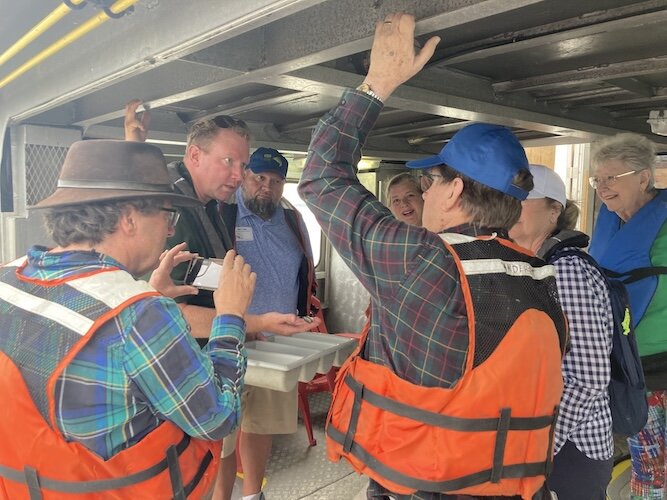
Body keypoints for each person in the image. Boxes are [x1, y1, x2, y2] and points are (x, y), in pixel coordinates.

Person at [298, 12, 567, 500]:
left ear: (455, 189)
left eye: (430, 181)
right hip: (506, 485)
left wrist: (378, 83)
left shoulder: (422, 259)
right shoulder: (539, 273)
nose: (423, 193)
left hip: (422, 485)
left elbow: (320, 177)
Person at [0, 139, 256, 499]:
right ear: (130, 219)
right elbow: (216, 419)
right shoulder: (141, 316)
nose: (170, 231)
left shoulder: (8, 279)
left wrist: (144, 296)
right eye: (168, 217)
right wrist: (230, 315)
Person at [124, 100, 319, 342]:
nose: (238, 176)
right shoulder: (171, 210)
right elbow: (173, 313)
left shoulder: (209, 205)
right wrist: (256, 323)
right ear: (195, 155)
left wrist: (251, 331)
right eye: (228, 161)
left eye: (243, 165)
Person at [215, 147, 315, 500]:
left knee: (262, 427)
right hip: (228, 340)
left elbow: (304, 274)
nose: (266, 187)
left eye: (275, 181)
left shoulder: (292, 221)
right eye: (259, 177)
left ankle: (252, 495)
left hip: (278, 345)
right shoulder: (222, 215)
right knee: (222, 433)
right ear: (244, 176)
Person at [509, 164, 613, 499]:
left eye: (523, 200)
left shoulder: (564, 270)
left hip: (571, 446)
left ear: (555, 209)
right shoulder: (535, 265)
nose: (511, 208)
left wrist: (539, 444)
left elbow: (588, 377)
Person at [588, 132, 667, 499]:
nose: (602, 187)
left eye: (611, 178)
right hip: (623, 365)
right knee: (646, 460)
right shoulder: (608, 224)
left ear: (643, 178)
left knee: (652, 467)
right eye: (598, 179)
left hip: (658, 366)